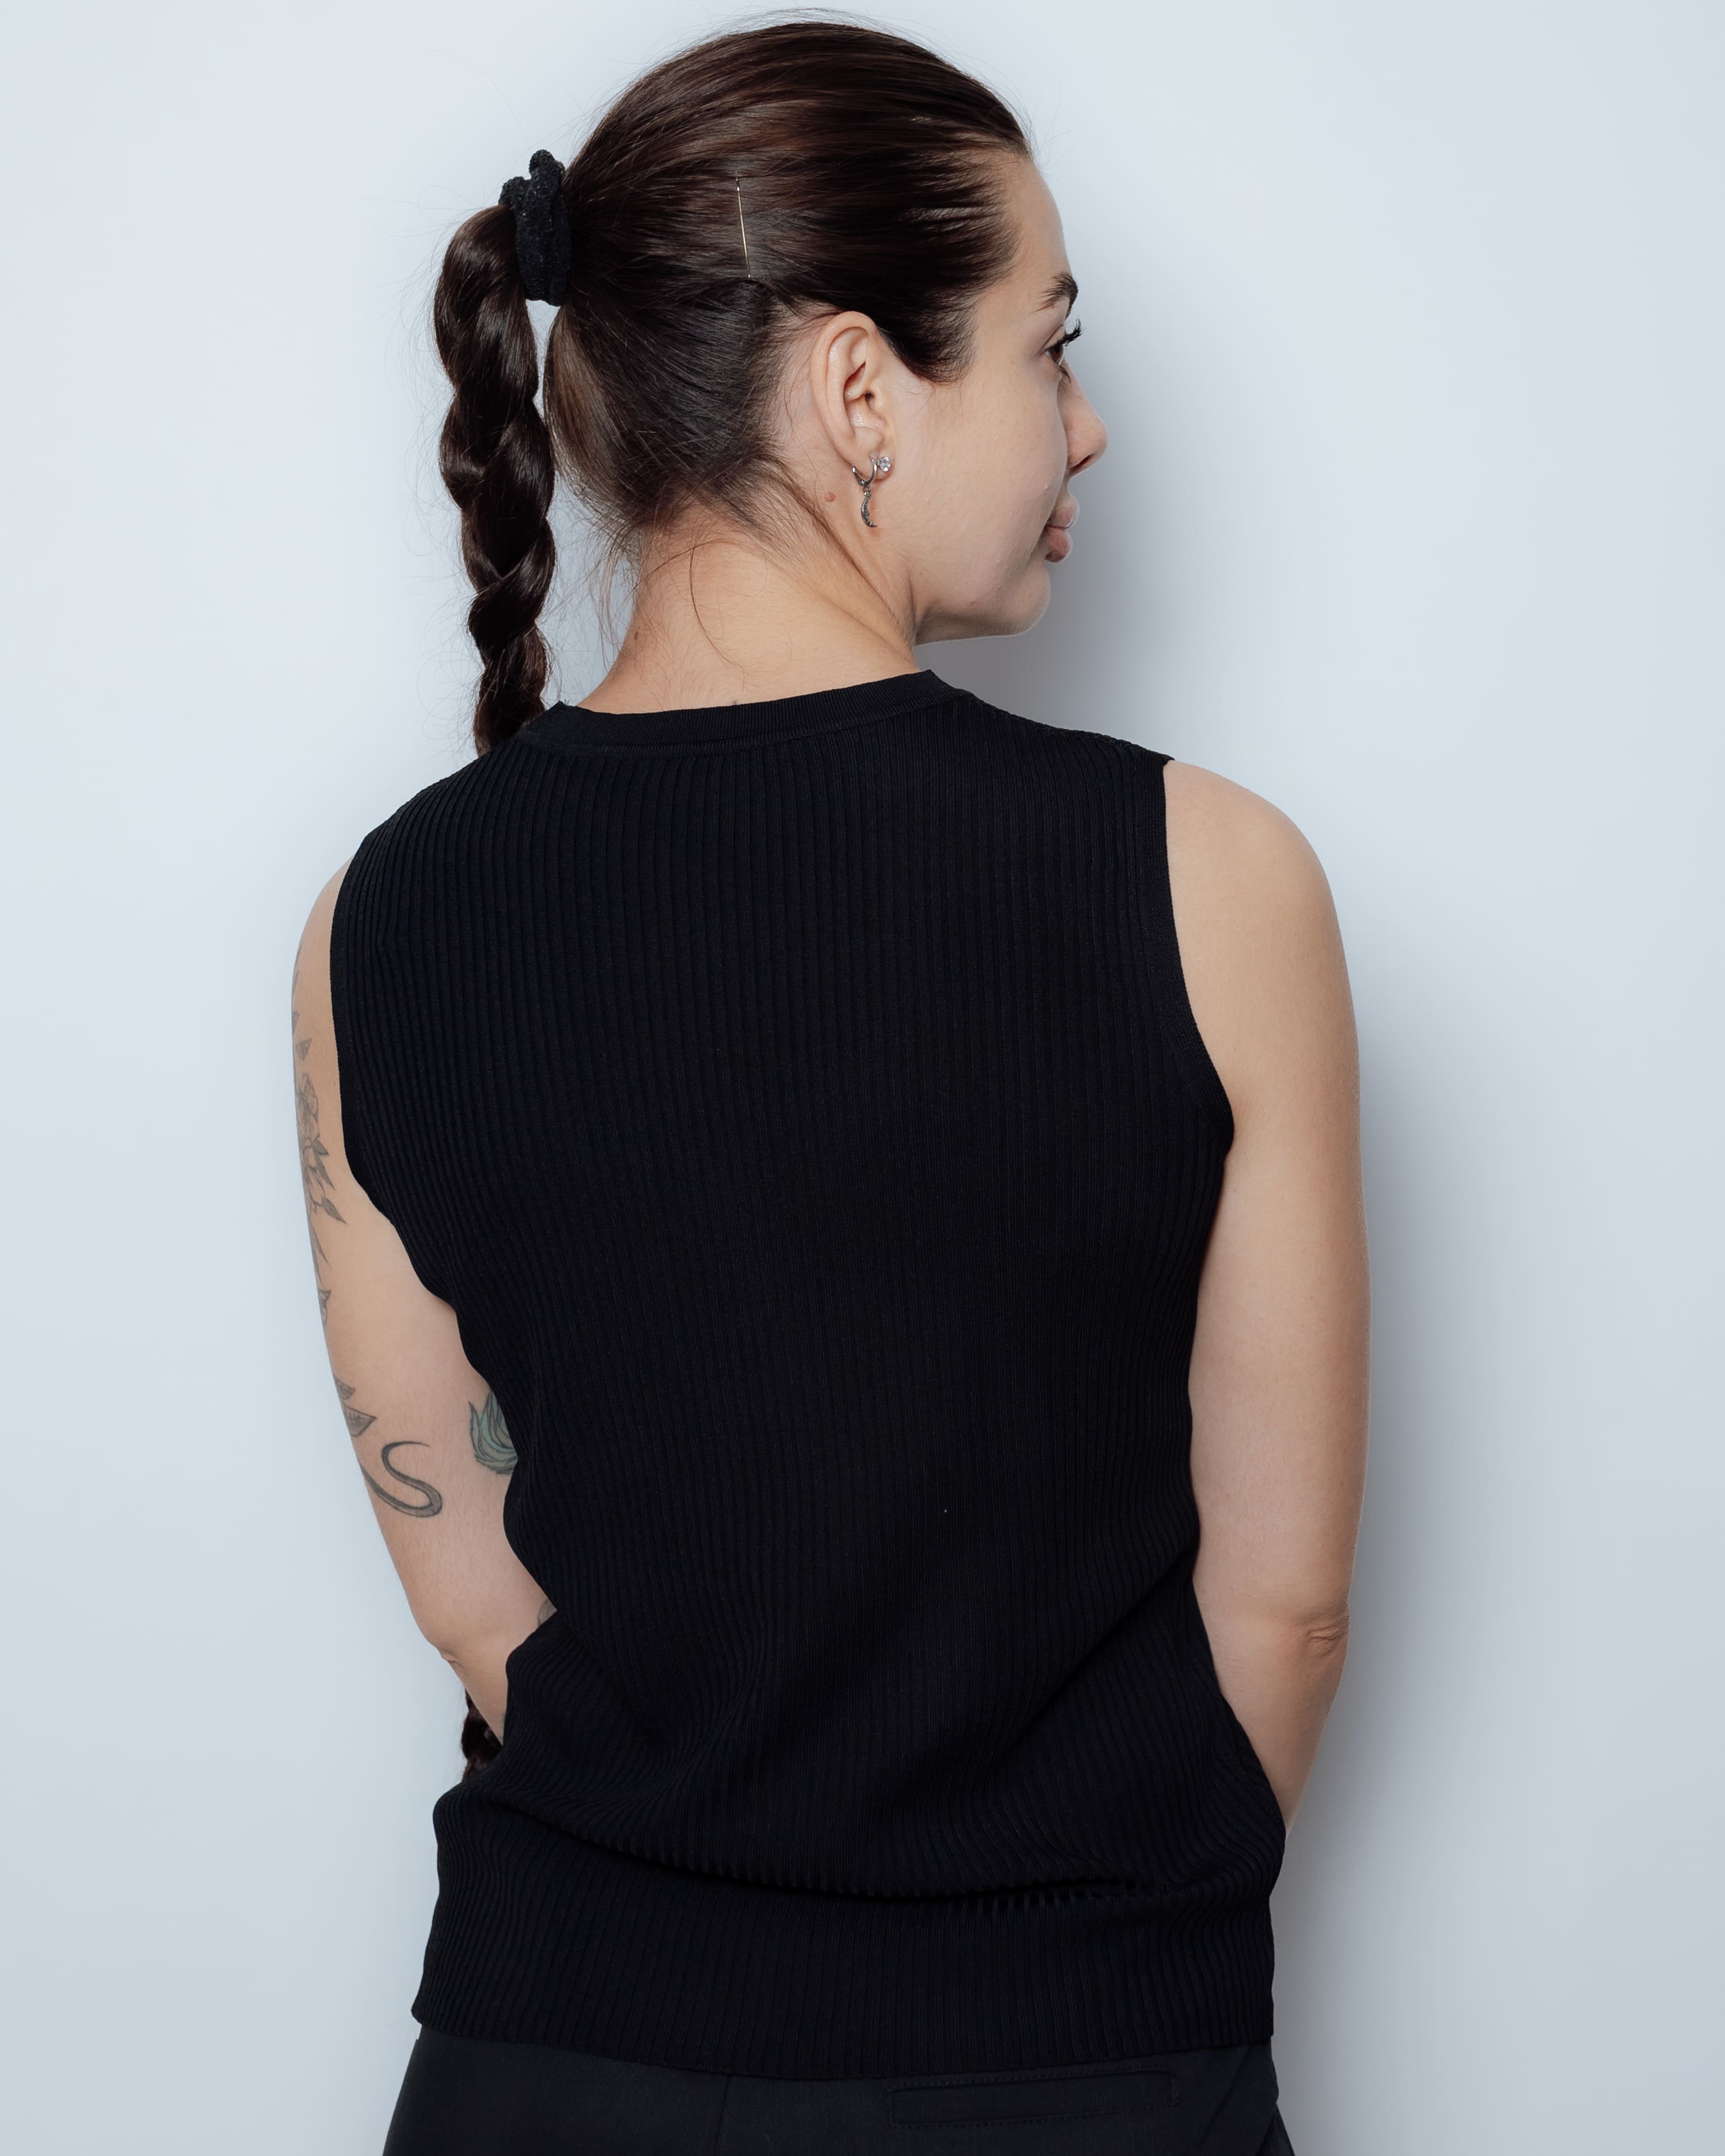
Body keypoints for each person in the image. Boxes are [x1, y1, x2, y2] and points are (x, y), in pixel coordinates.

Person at [290, 20, 1367, 2154]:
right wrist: (1080, 1938)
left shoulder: (375, 916)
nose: (1086, 422)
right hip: (1072, 2065)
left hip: (542, 2062)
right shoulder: (1206, 875)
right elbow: (1286, 1603)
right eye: (1049, 346)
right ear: (862, 389)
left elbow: (470, 1579)